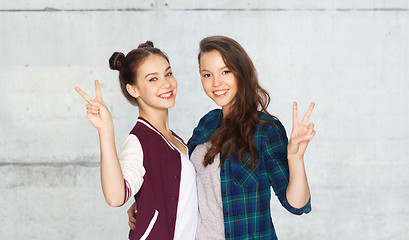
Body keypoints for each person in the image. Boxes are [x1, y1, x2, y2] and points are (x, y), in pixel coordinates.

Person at [128, 35, 315, 240]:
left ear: (241, 73)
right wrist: (146, 201)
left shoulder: (264, 130)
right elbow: (185, 179)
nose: (217, 83)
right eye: (207, 74)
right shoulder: (207, 124)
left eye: (225, 71)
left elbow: (297, 204)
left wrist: (296, 158)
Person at [75, 41, 198, 240]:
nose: (166, 84)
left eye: (168, 74)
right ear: (133, 90)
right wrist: (106, 130)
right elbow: (116, 197)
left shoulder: (176, 140)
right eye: (152, 79)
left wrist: (144, 202)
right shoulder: (139, 140)